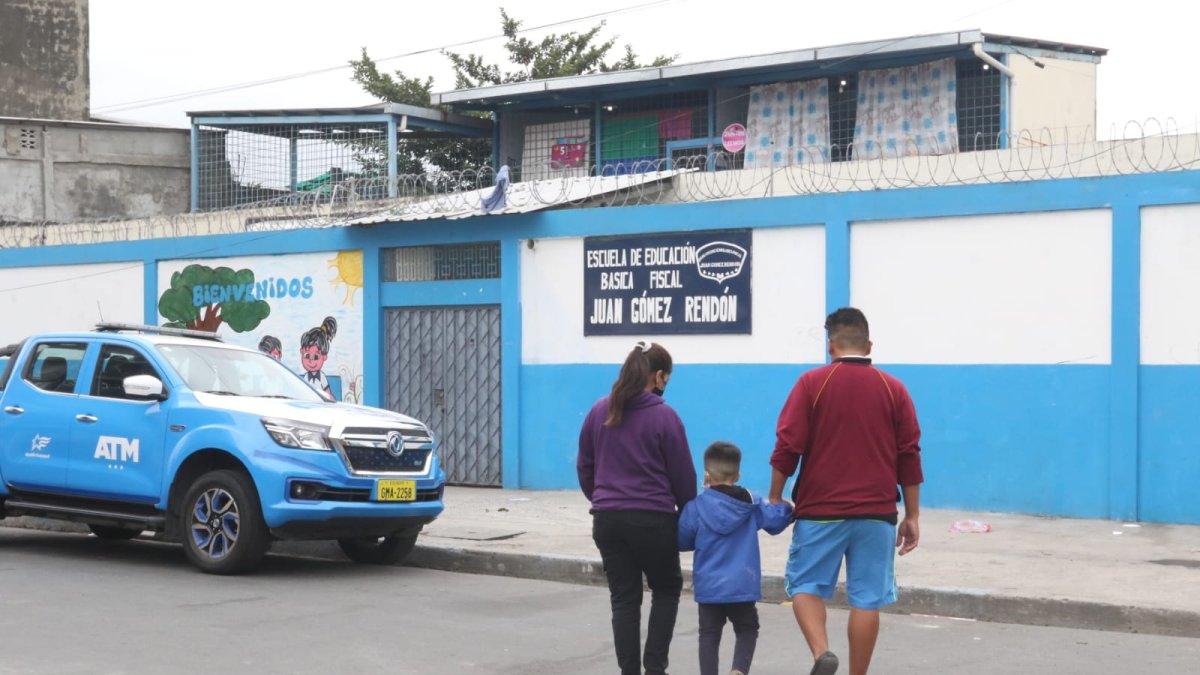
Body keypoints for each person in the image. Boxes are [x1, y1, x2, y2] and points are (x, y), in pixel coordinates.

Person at [768, 307, 923, 675]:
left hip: (821, 510)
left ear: (830, 345)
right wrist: (913, 515)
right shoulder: (894, 388)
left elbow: (788, 445)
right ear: (869, 345)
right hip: (878, 513)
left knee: (805, 585)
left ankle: (823, 654)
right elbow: (909, 455)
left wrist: (776, 496)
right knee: (867, 600)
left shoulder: (811, 383)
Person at [578, 340, 697, 675]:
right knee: (667, 588)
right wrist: (687, 515)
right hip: (653, 520)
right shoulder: (665, 417)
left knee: (625, 598)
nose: (666, 386)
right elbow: (683, 478)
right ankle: (655, 668)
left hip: (607, 520)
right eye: (667, 379)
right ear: (658, 377)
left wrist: (603, 500)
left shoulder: (599, 410)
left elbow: (585, 467)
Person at [678, 441, 792, 675]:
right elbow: (775, 521)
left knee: (709, 635)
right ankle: (738, 670)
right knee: (747, 628)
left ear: (706, 476)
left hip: (709, 587)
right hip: (742, 583)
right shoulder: (751, 503)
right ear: (738, 474)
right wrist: (789, 510)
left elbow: (682, 540)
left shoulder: (696, 507)